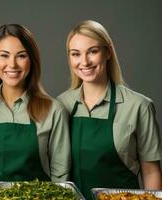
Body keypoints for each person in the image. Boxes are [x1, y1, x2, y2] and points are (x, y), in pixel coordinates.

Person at [57, 20, 162, 199]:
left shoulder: (138, 106)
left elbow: (151, 172)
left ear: (108, 52)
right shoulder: (60, 105)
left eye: (93, 51)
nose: (84, 61)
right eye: (76, 54)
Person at [0, 24, 70, 183]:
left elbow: (61, 177)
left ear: (32, 60)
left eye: (21, 56)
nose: (12, 65)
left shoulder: (53, 110)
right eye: (4, 55)